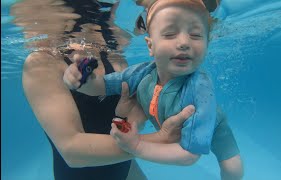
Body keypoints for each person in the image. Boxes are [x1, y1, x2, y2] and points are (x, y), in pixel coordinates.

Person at [13, 0, 196, 179]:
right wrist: (162, 141)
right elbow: (72, 151)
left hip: (124, 168)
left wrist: (139, 115)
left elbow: (127, 127)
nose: (112, 10)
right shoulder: (42, 64)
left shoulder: (114, 58)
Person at [63, 0, 243, 179]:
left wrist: (137, 146)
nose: (184, 43)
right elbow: (103, 86)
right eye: (170, 34)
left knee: (232, 167)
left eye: (196, 35)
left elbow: (189, 156)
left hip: (215, 125)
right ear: (150, 46)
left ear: (207, 43)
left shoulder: (200, 89)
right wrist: (80, 80)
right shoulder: (142, 73)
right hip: (173, 129)